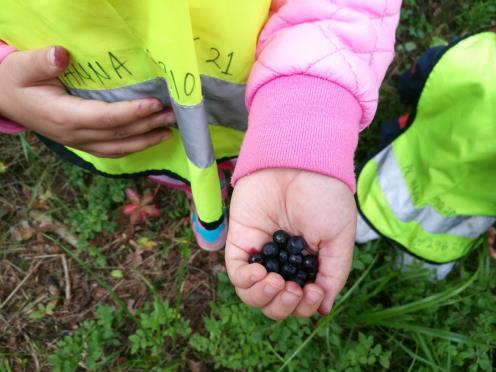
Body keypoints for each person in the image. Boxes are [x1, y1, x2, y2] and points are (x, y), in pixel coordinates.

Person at [0, 0, 402, 320]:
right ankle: (197, 187)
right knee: (177, 159)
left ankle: (218, 185)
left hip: (259, 111)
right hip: (108, 116)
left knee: (224, 154)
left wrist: (301, 126)